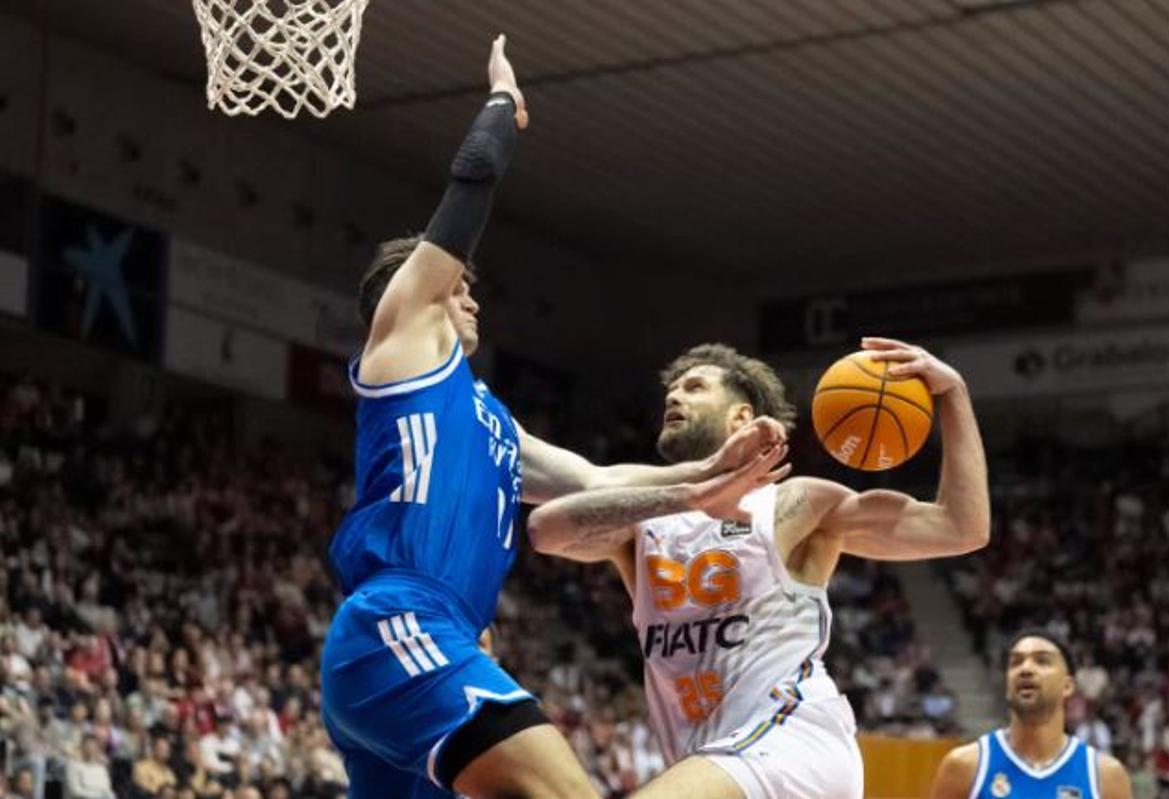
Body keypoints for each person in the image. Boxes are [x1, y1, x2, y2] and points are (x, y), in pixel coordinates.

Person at [319, 37, 782, 799]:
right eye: (460, 285)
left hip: (433, 639)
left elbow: (593, 479)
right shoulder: (401, 342)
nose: (472, 295)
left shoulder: (490, 422)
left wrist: (707, 474)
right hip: (397, 623)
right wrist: (502, 105)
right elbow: (467, 191)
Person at [527, 339, 992, 799]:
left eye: (695, 387)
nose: (674, 396)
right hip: (711, 756)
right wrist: (688, 492)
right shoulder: (644, 519)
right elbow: (547, 531)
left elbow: (961, 527)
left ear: (742, 417)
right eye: (672, 390)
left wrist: (953, 395)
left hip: (791, 743)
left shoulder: (794, 502)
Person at [930, 629, 1132, 799]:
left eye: (1042, 661)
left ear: (1068, 686)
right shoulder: (964, 767)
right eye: (1015, 662)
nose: (1025, 669)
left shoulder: (1106, 777)